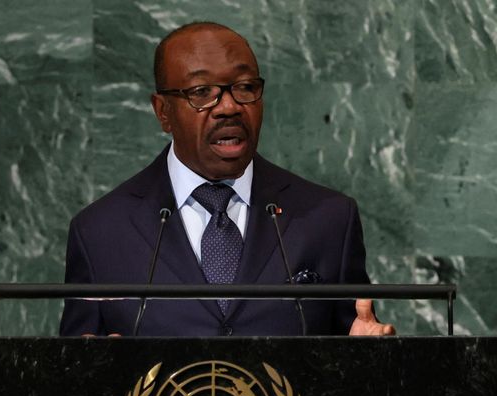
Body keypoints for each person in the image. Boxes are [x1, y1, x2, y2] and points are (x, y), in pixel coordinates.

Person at [59, 21, 395, 337]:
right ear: (163, 112)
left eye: (245, 87)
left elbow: (356, 345)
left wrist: (371, 359)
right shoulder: (100, 232)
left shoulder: (329, 218)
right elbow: (72, 372)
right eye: (202, 92)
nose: (229, 107)